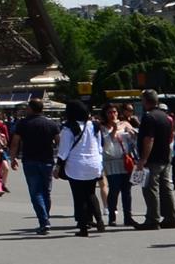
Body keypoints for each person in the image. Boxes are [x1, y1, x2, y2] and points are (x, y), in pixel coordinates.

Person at [58, 98, 106, 236]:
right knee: (91, 193)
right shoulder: (95, 125)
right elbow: (99, 147)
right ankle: (100, 221)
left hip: (76, 165)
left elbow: (63, 150)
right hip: (94, 163)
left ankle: (83, 227)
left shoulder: (68, 128)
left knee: (79, 196)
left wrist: (58, 166)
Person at [12, 98, 60, 234]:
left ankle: (44, 221)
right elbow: (59, 142)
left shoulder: (23, 123)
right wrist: (61, 160)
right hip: (47, 160)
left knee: (36, 192)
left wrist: (13, 158)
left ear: (30, 108)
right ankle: (46, 217)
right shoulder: (51, 123)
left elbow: (15, 142)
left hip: (30, 160)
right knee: (46, 191)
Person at [136, 91, 175, 230]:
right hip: (165, 157)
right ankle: (170, 218)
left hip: (152, 159)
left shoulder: (149, 117)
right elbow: (171, 136)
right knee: (166, 188)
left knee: (150, 188)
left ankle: (152, 220)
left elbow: (149, 139)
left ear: (145, 101)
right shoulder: (165, 116)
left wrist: (143, 159)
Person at [103, 103, 136, 228]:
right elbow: (106, 143)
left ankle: (128, 217)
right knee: (114, 189)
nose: (113, 115)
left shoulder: (125, 124)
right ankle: (112, 217)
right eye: (110, 112)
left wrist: (132, 133)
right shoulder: (102, 127)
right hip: (111, 162)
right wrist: (114, 129)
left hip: (125, 161)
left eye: (115, 112)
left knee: (127, 191)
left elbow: (133, 140)